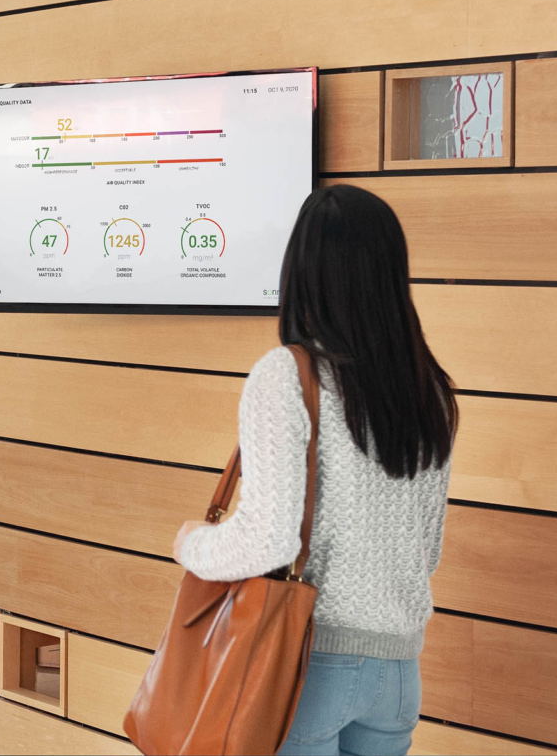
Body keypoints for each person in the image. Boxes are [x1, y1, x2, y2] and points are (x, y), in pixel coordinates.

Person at [172, 184, 457, 756]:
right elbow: (426, 551)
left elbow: (269, 538)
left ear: (302, 271)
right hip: (399, 672)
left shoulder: (288, 375)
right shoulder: (428, 389)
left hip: (309, 664)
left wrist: (193, 545)